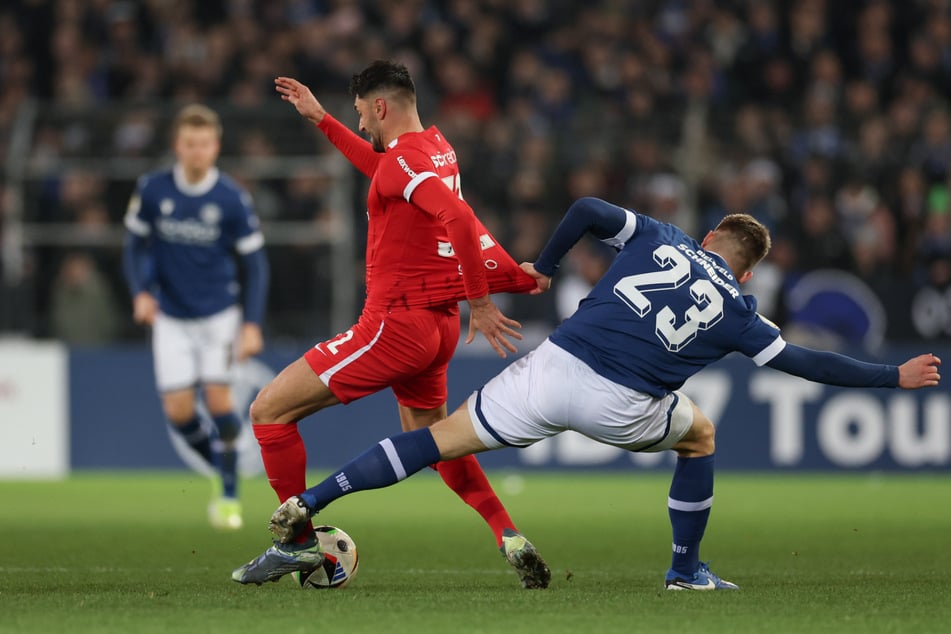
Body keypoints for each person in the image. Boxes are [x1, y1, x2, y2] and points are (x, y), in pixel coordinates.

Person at [253, 196, 941, 591]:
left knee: (437, 439)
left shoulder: (662, 236)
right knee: (699, 434)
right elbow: (801, 362)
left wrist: (545, 267)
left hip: (551, 369)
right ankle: (684, 572)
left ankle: (308, 502)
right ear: (749, 269)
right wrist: (892, 377)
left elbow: (584, 208)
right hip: (625, 406)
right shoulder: (738, 309)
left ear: (707, 238)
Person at [230, 61, 549, 587]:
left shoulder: (404, 162)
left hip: (395, 324)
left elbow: (460, 221)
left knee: (268, 411)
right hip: (436, 328)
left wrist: (484, 302)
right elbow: (392, 176)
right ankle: (507, 533)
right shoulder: (436, 148)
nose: (360, 127)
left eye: (359, 115)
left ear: (380, 106)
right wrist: (322, 120)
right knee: (433, 441)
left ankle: (298, 542)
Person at [123, 104, 269, 530]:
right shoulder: (153, 190)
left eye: (204, 144)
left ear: (216, 147)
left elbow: (256, 264)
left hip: (219, 315)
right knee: (180, 413)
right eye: (189, 143)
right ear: (177, 146)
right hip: (171, 317)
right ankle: (226, 470)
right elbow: (132, 246)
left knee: (220, 401)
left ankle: (228, 494)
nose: (197, 151)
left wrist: (251, 323)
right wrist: (140, 294)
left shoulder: (231, 198)